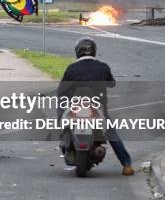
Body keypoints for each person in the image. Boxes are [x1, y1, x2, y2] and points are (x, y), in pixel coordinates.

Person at [57, 37, 134, 176]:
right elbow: (112, 84)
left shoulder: (72, 68)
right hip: (98, 109)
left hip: (76, 109)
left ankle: (65, 138)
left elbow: (61, 90)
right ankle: (126, 164)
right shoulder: (102, 67)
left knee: (63, 122)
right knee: (111, 134)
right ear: (94, 51)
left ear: (78, 51)